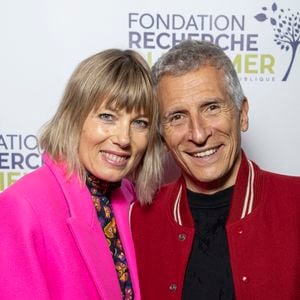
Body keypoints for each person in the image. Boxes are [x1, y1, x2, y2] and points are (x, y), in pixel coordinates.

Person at [130, 40, 300, 300]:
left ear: (242, 114)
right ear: (162, 136)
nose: (198, 134)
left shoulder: (295, 202)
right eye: (177, 117)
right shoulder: (138, 219)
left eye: (211, 108)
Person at [0, 48, 163, 299]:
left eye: (139, 123)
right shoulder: (22, 206)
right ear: (74, 117)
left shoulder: (130, 198)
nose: (123, 138)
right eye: (107, 117)